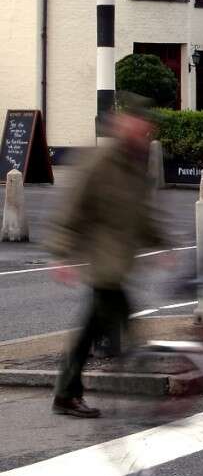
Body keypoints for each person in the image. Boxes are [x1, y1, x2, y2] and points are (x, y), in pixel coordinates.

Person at [48, 97, 166, 419]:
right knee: (121, 321)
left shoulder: (134, 160)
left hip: (119, 260)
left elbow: (140, 211)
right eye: (137, 122)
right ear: (123, 123)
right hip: (103, 260)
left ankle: (67, 393)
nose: (143, 128)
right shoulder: (102, 161)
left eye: (146, 124)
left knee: (92, 328)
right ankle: (76, 393)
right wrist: (61, 253)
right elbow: (73, 205)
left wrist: (161, 242)